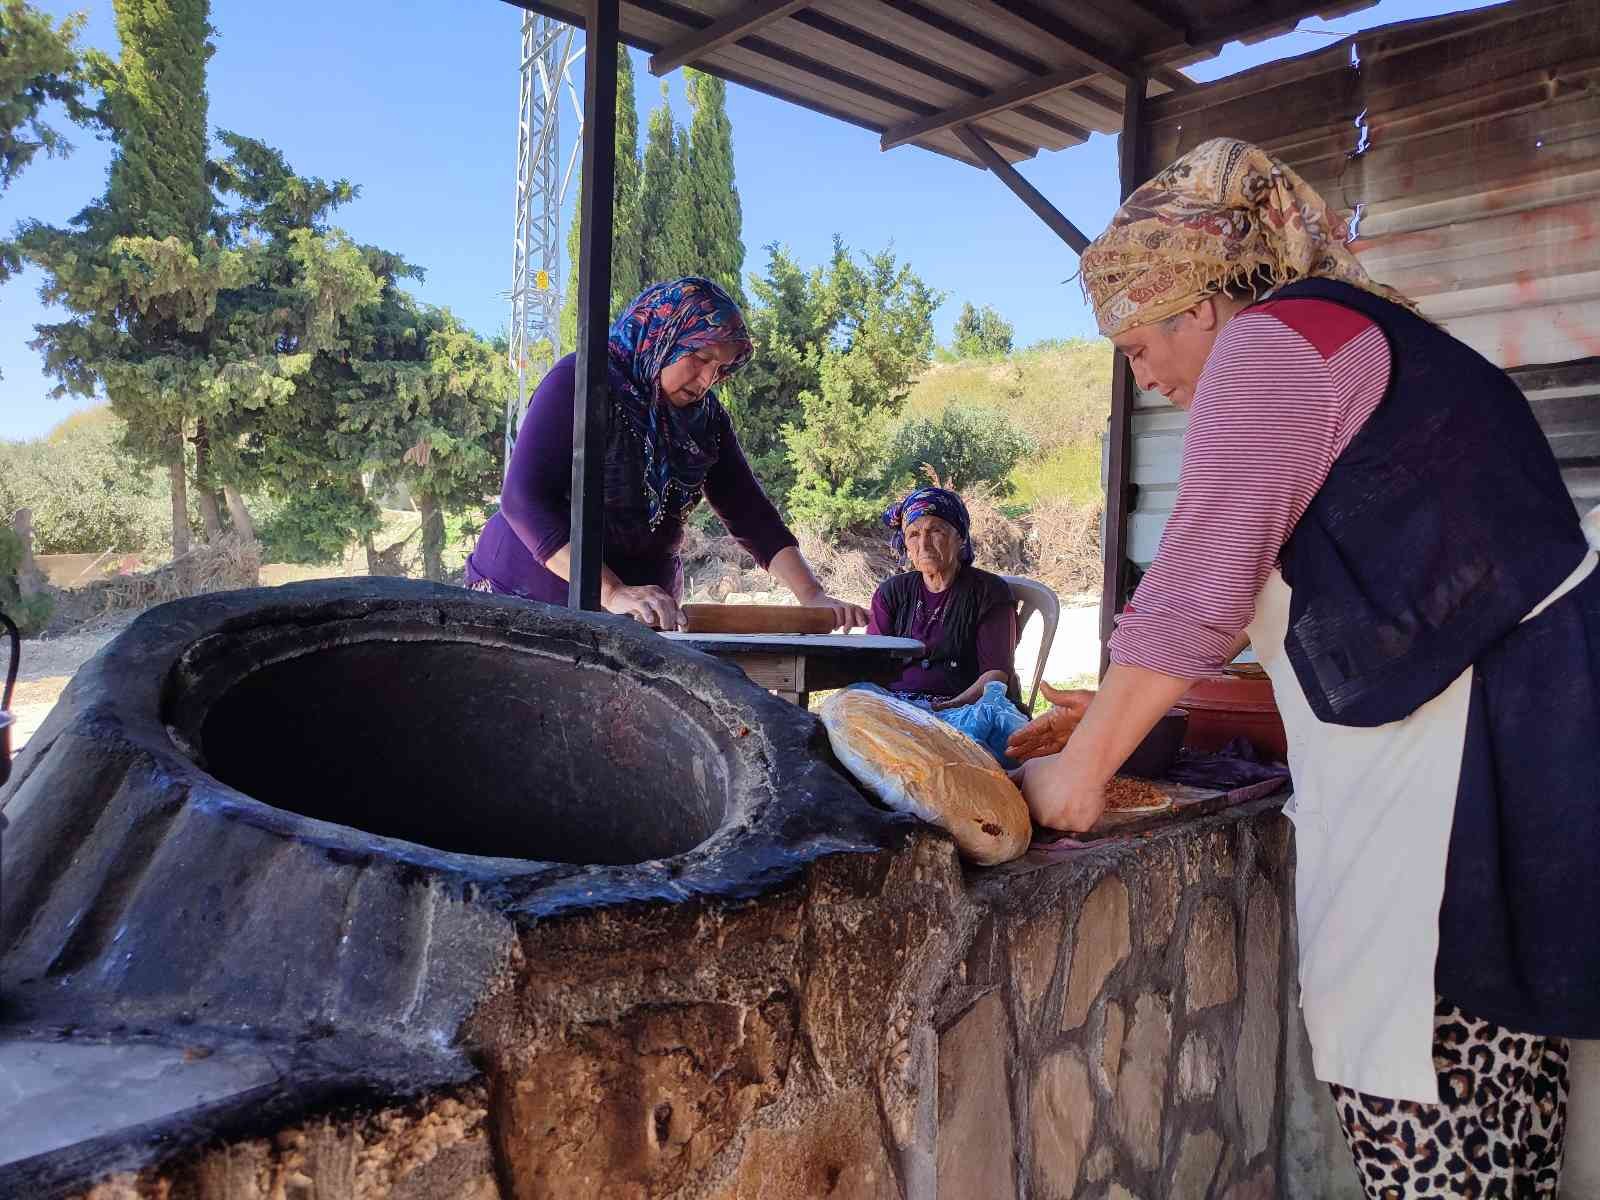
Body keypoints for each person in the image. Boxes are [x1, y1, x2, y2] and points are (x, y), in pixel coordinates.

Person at [1015, 138, 1595, 1196]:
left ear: (1200, 302)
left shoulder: (1270, 347)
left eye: (1140, 341)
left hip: (1449, 754)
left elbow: (1199, 581)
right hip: (1523, 728)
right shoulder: (1367, 335)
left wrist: (1080, 769)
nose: (1141, 374)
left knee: (1408, 1057)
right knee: (1498, 1070)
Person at [467, 277, 866, 631]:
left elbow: (750, 513)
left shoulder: (705, 420)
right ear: (662, 338)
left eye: (721, 369)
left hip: (637, 613)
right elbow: (522, 500)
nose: (709, 379)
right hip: (529, 602)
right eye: (701, 358)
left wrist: (812, 596)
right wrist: (611, 590)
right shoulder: (581, 381)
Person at [867, 486, 1017, 710]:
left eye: (935, 531)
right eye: (914, 534)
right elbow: (869, 663)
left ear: (960, 538)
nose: (924, 544)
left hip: (966, 709)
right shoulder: (891, 592)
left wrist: (945, 709)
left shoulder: (989, 592)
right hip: (897, 708)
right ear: (906, 546)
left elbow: (995, 675)